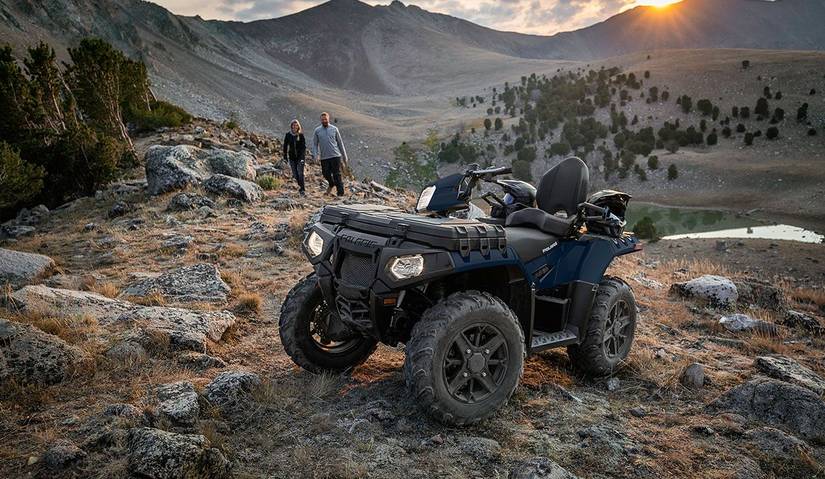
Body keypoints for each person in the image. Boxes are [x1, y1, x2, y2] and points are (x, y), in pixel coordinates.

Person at [312, 112, 348, 196]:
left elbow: (340, 143)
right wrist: (315, 155)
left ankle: (340, 193)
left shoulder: (334, 129)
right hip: (324, 157)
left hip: (335, 156)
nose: (324, 121)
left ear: (328, 119)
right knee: (325, 173)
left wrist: (344, 156)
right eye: (323, 119)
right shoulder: (317, 131)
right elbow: (315, 144)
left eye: (326, 119)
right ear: (320, 120)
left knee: (337, 174)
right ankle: (331, 184)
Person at [283, 119, 306, 195]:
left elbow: (303, 147)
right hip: (292, 158)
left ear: (298, 126)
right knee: (295, 174)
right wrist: (285, 156)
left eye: (296, 125)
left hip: (300, 158)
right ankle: (300, 186)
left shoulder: (301, 135)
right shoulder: (288, 135)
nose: (295, 127)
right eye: (293, 125)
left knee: (300, 173)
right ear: (291, 126)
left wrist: (302, 157)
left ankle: (302, 189)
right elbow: (285, 146)